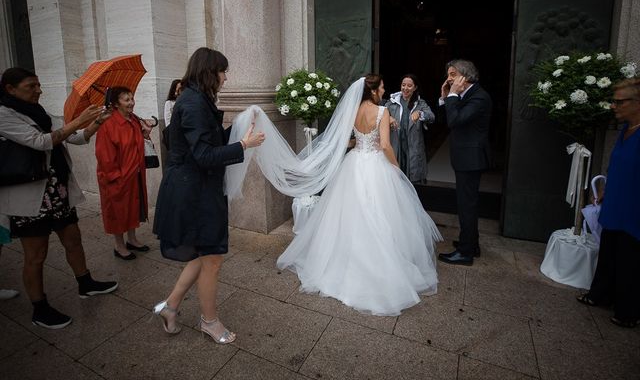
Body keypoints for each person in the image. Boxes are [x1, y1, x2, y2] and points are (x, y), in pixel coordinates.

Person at [276, 74, 442, 316]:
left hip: (353, 166)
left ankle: (344, 261)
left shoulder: (352, 111)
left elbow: (349, 141)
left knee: (351, 215)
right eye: (382, 87)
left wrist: (360, 143)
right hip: (376, 165)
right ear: (373, 91)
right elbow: (385, 145)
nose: (385, 90)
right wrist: (396, 169)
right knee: (380, 215)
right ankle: (379, 265)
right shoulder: (382, 112)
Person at [152, 47, 265, 343]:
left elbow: (209, 142)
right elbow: (203, 155)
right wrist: (243, 145)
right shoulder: (192, 103)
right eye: (223, 71)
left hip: (198, 189)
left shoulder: (196, 99)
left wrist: (240, 128)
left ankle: (171, 307)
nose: (226, 78)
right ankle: (210, 322)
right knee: (211, 258)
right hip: (193, 193)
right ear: (209, 72)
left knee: (205, 255)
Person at [0, 67, 118, 328]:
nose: (39, 90)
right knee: (36, 254)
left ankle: (85, 283)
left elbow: (75, 137)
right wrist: (76, 121)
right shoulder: (4, 115)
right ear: (10, 89)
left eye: (39, 85)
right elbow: (41, 142)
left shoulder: (40, 112)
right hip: (30, 195)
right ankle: (39, 308)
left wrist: (98, 121)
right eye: (31, 86)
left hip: (57, 190)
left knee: (73, 238)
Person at [577, 78, 640, 328]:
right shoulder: (626, 129)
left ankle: (628, 311)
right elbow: (619, 164)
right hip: (616, 201)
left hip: (634, 207)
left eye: (619, 101)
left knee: (630, 259)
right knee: (609, 251)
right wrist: (606, 188)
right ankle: (600, 294)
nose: (614, 106)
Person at [437, 59, 492, 266]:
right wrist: (446, 98)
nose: (448, 78)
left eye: (452, 74)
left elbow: (455, 120)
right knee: (466, 204)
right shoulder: (467, 95)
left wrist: (451, 96)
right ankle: (472, 243)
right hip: (466, 159)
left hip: (471, 160)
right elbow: (451, 119)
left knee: (466, 205)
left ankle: (465, 252)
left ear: (465, 76)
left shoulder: (479, 97)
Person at [95, 86, 152, 260]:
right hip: (117, 178)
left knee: (133, 208)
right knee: (118, 211)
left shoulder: (134, 120)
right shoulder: (108, 125)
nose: (131, 103)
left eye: (132, 98)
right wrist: (116, 178)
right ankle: (119, 246)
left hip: (134, 174)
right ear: (115, 104)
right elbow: (105, 158)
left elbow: (136, 145)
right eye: (126, 100)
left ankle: (132, 239)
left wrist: (145, 133)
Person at [385, 74, 435, 184]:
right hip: (396, 145)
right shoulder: (392, 102)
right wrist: (388, 117)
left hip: (413, 147)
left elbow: (431, 117)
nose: (405, 88)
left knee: (413, 180)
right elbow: (380, 114)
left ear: (415, 88)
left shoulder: (420, 103)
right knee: (395, 179)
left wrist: (420, 113)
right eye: (403, 85)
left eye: (409, 86)